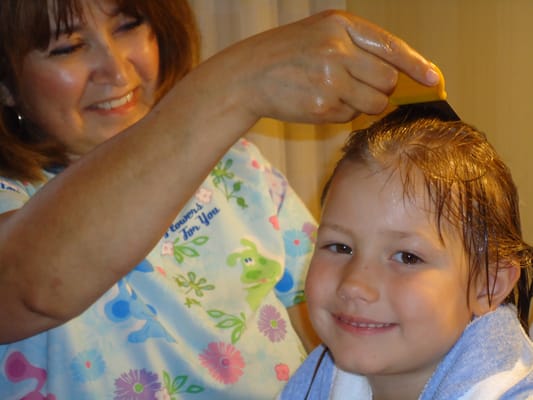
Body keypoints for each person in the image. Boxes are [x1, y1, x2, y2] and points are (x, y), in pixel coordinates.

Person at [0, 0, 440, 398]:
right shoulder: (11, 199)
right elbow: (32, 288)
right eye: (67, 47)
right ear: (7, 81)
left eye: (130, 26)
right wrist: (235, 82)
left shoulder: (240, 169)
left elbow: (334, 340)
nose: (116, 70)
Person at [279, 104, 533, 400]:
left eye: (407, 257)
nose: (354, 285)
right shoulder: (323, 375)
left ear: (488, 285)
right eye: (340, 247)